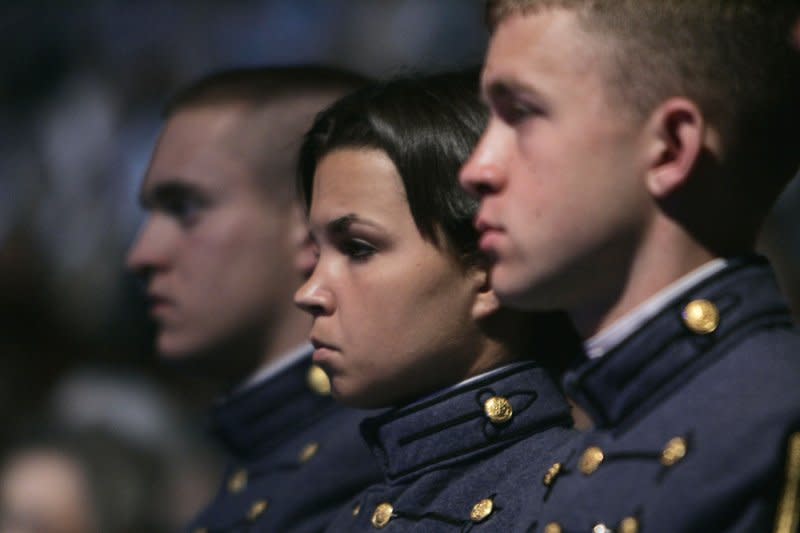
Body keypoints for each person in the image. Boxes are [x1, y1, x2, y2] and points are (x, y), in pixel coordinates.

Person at [460, 2, 800, 531]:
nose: (476, 168)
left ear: (669, 148)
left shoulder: (771, 433)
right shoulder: (598, 436)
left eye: (522, 112)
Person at [294, 72, 581, 531]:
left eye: (358, 248)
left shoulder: (565, 504)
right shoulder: (363, 509)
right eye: (316, 254)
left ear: (488, 270)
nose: (308, 292)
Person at [126, 66, 381, 533]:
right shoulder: (271, 456)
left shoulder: (365, 472)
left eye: (185, 208)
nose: (141, 255)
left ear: (315, 224)